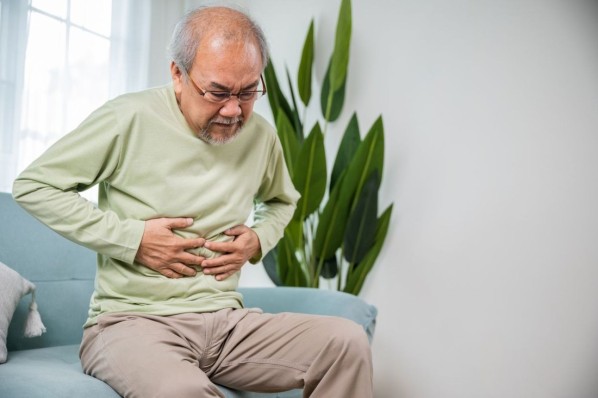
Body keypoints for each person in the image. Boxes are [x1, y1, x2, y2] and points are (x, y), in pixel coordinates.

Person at [12, 6, 373, 398]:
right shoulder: (128, 118)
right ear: (177, 75)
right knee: (183, 390)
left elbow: (282, 201)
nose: (234, 110)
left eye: (248, 91)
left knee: (346, 343)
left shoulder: (261, 136)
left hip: (227, 324)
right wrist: (133, 239)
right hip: (129, 324)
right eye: (218, 92)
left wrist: (257, 239)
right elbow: (34, 185)